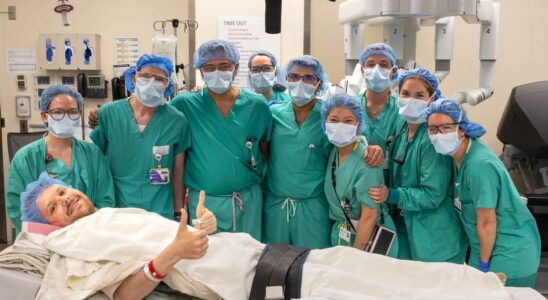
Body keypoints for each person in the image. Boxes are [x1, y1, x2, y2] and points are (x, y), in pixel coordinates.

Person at [20, 176, 512, 300]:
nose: (66, 201)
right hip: (261, 282)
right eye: (54, 208)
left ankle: (478, 285)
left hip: (261, 253)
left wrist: (197, 230)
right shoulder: (75, 243)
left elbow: (170, 235)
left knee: (372, 268)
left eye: (63, 192)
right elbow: (122, 293)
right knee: (379, 290)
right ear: (50, 226)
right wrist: (171, 254)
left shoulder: (113, 213)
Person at [425, 99, 541, 287]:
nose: (438, 135)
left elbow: (487, 222)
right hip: (486, 248)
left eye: (445, 128)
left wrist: (483, 266)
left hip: (510, 254)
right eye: (433, 129)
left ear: (461, 128)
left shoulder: (479, 166)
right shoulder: (458, 159)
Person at [169, 39, 272, 240]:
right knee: (205, 263)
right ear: (201, 71)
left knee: (248, 263)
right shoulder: (185, 105)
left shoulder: (257, 106)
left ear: (236, 68)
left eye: (224, 66)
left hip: (248, 203)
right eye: (209, 67)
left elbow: (266, 152)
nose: (217, 71)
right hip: (203, 204)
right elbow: (157, 120)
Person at [368, 68, 467, 263]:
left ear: (432, 98)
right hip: (405, 224)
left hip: (434, 235)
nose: (411, 99)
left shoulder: (432, 139)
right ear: (397, 95)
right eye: (405, 94)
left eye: (419, 95)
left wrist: (392, 195)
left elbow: (432, 195)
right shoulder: (402, 127)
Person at [90, 54, 190, 220]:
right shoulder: (109, 114)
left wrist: (178, 212)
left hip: (159, 213)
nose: (151, 82)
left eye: (159, 78)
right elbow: (96, 167)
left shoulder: (177, 121)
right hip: (117, 210)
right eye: (145, 76)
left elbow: (178, 173)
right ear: (134, 78)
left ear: (167, 85)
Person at [6, 85, 114, 233]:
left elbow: (106, 200)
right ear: (45, 116)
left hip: (91, 235)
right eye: (58, 112)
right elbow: (18, 210)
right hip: (43, 242)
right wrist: (57, 239)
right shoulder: (25, 159)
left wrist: (86, 233)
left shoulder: (93, 153)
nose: (66, 117)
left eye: (72, 112)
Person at [263, 55, 332, 249]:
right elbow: (264, 154)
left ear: (319, 84)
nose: (300, 82)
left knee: (313, 266)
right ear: (286, 80)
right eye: (294, 76)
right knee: (275, 266)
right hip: (277, 206)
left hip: (314, 207)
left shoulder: (328, 117)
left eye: (308, 77)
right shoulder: (274, 114)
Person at [322, 93, 398, 256]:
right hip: (344, 233)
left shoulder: (367, 161)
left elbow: (369, 217)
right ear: (324, 123)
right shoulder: (335, 152)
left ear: (358, 124)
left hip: (370, 241)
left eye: (348, 120)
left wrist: (355, 256)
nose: (340, 125)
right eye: (334, 120)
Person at [357, 43, 403, 180]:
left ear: (393, 71)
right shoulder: (349, 108)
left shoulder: (402, 111)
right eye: (370, 65)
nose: (376, 69)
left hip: (391, 188)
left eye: (383, 65)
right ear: (362, 71)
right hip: (355, 186)